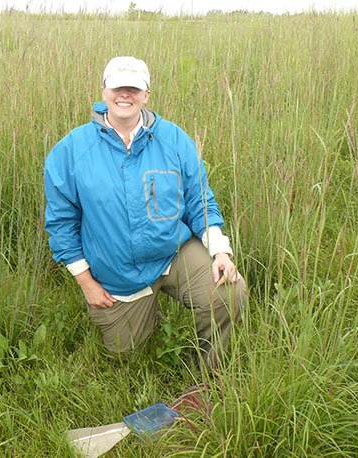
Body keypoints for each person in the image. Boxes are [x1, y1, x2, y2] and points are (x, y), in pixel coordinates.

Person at [44, 56, 247, 370]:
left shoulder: (175, 140)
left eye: (134, 88)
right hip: (118, 274)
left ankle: (208, 377)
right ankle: (146, 310)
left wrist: (220, 252)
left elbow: (200, 201)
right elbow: (61, 224)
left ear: (146, 95)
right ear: (103, 91)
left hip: (172, 252)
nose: (125, 95)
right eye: (117, 87)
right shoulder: (70, 151)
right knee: (124, 358)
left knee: (229, 292)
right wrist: (86, 283)